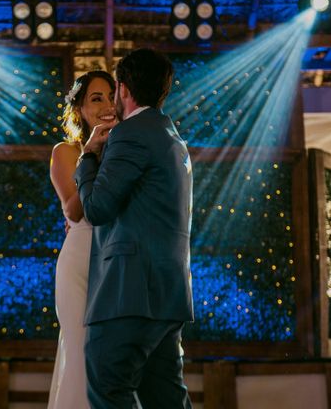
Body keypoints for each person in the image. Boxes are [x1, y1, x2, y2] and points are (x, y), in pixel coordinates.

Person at [75, 48, 194, 409]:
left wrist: (87, 160)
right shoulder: (172, 137)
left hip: (128, 293)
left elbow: (96, 208)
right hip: (168, 294)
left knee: (109, 391)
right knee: (167, 400)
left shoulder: (130, 134)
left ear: (123, 89)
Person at [47, 71, 116, 409]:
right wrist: (91, 153)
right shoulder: (66, 152)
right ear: (78, 109)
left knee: (114, 354)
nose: (107, 105)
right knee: (79, 349)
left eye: (111, 96)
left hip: (117, 258)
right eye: (96, 98)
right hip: (80, 258)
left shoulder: (128, 151)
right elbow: (74, 211)